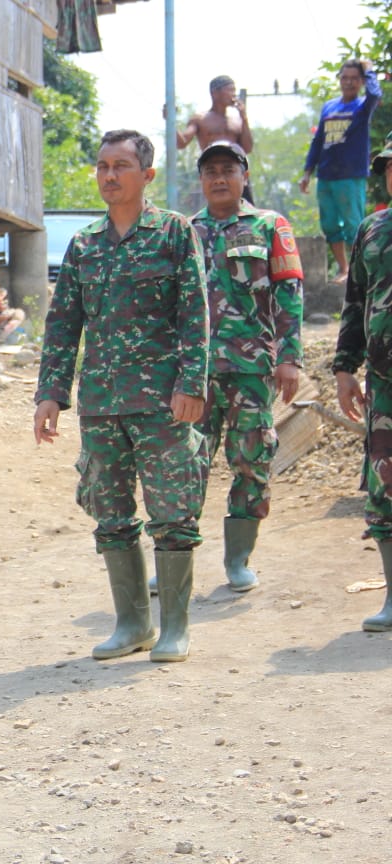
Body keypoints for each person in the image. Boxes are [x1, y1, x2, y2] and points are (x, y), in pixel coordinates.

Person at [33, 129, 209, 664]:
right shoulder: (84, 244)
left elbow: (195, 314)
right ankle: (132, 623)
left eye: (121, 166)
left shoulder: (175, 234)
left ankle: (174, 628)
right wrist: (50, 395)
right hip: (103, 403)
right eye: (103, 165)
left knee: (173, 514)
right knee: (110, 514)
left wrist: (192, 384)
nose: (109, 175)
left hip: (162, 402)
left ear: (147, 175)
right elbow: (63, 325)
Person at [187, 141, 303, 594]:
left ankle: (238, 560)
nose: (219, 178)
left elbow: (289, 296)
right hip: (193, 373)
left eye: (228, 169)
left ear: (244, 175)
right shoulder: (184, 231)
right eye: (210, 170)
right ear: (201, 180)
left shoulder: (270, 225)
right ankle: (176, 554)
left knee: (251, 460)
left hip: (251, 368)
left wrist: (289, 358)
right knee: (184, 461)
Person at [335, 131, 392, 632]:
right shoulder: (371, 231)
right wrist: (343, 369)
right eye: (390, 166)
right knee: (385, 484)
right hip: (384, 383)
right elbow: (355, 303)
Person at [300, 59, 382, 283]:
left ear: (361, 82)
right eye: (345, 77)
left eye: (354, 78)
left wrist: (370, 70)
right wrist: (308, 171)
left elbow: (375, 94)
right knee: (330, 225)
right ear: (339, 79)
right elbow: (318, 141)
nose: (348, 82)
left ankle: (359, 271)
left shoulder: (363, 106)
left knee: (354, 224)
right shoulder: (329, 106)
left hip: (351, 175)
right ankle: (344, 268)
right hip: (326, 174)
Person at [177, 75, 255, 203]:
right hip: (212, 169)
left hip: (234, 169)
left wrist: (244, 118)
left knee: (245, 209)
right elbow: (181, 143)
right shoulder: (200, 119)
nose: (233, 95)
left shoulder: (236, 119)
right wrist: (171, 122)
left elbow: (248, 148)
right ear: (215, 93)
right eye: (230, 90)